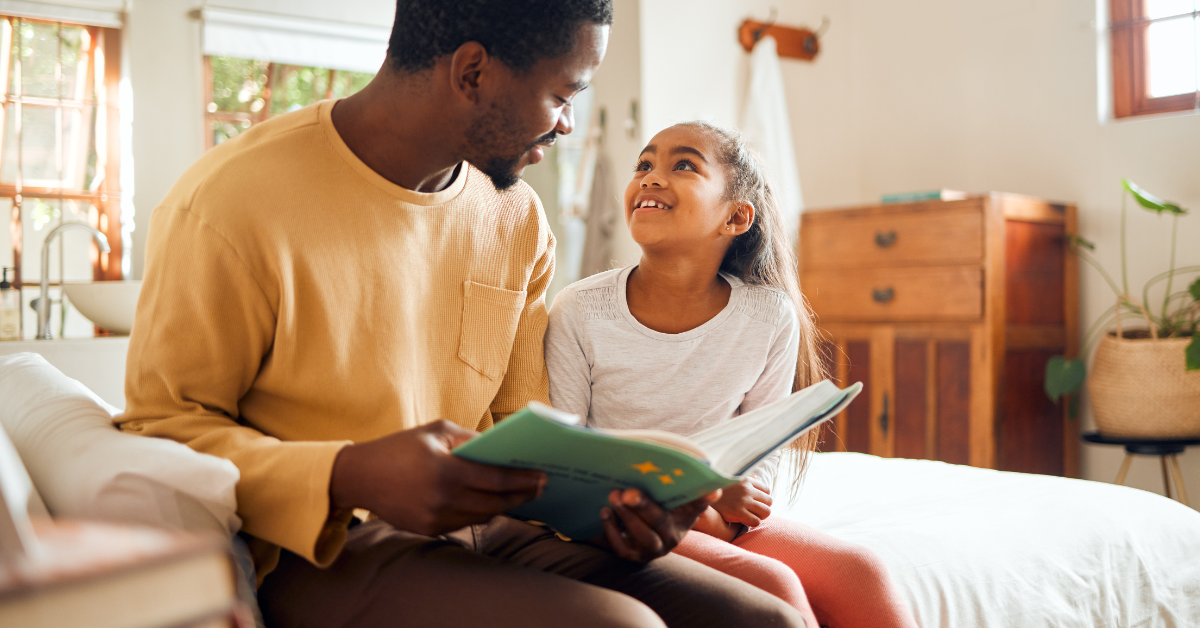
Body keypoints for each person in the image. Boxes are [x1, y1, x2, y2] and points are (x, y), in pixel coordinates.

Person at [117, 1, 811, 626]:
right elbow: (165, 427)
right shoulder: (229, 204)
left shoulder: (515, 216)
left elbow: (522, 426)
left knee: (764, 620)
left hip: (493, 527)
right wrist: (348, 473)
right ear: (473, 72)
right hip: (323, 549)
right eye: (562, 94)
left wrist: (611, 511)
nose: (568, 123)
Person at [544, 121, 920, 628]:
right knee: (774, 585)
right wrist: (707, 495)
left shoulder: (767, 316)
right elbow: (568, 462)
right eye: (644, 164)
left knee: (862, 572)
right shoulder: (580, 311)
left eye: (683, 165)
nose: (651, 177)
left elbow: (758, 465)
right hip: (624, 521)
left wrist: (720, 512)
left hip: (721, 517)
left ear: (736, 217)